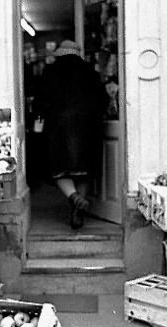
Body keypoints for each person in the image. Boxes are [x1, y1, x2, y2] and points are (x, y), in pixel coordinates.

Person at [37, 40, 107, 229]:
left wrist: (40, 116)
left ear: (60, 54)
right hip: (88, 126)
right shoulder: (90, 72)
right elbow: (103, 100)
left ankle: (74, 197)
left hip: (58, 125)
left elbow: (40, 100)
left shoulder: (50, 71)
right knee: (83, 171)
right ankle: (78, 208)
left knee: (58, 167)